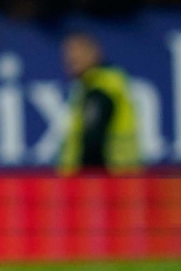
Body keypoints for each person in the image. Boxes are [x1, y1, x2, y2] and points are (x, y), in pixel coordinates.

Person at [57, 32, 140, 174]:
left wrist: (82, 180)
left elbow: (93, 140)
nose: (70, 59)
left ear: (93, 54)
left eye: (77, 53)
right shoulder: (90, 87)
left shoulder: (101, 89)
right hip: (119, 178)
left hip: (110, 180)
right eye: (67, 53)